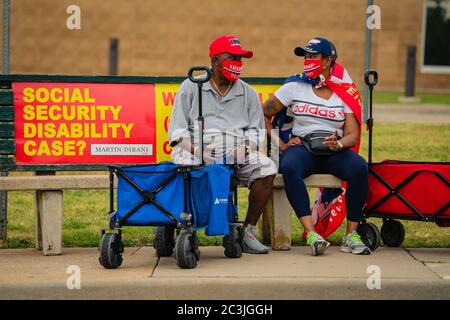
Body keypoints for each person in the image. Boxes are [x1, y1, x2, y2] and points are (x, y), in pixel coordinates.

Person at [168, 35, 277, 254]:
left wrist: (244, 149)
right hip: (197, 148)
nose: (238, 64)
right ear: (215, 61)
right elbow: (177, 132)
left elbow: (256, 131)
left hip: (236, 149)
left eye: (240, 59)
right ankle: (184, 225)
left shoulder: (247, 92)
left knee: (267, 168)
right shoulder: (191, 87)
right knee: (185, 168)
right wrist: (199, 151)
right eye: (232, 58)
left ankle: (247, 231)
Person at [262, 37, 371, 256]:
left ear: (328, 60)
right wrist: (281, 145)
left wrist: (339, 143)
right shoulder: (295, 85)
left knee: (359, 167)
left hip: (333, 149)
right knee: (290, 166)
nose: (307, 61)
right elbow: (263, 113)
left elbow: (352, 135)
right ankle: (312, 234)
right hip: (303, 146)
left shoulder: (344, 91)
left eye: (313, 56)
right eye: (306, 57)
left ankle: (351, 235)